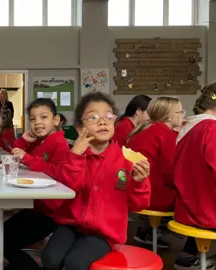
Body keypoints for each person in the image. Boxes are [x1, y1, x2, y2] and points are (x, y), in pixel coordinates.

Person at [40, 92, 151, 270]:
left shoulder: (125, 161)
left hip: (103, 233)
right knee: (50, 259)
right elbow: (71, 187)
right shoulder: (74, 157)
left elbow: (138, 205)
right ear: (79, 127)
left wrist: (139, 182)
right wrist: (75, 156)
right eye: (93, 117)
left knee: (75, 263)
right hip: (71, 224)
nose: (102, 121)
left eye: (108, 116)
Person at [0, 98, 69, 270]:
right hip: (38, 205)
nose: (37, 123)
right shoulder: (40, 141)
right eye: (33, 119)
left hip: (51, 211)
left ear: (55, 120)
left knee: (1, 238)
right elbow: (15, 157)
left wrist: (27, 157)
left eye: (43, 117)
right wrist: (24, 141)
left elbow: (57, 172)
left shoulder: (59, 142)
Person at [127, 96, 184, 249]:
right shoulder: (166, 136)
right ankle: (190, 254)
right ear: (170, 116)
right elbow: (172, 173)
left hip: (139, 191)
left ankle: (149, 231)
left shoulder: (141, 131)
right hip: (155, 197)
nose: (184, 115)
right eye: (181, 112)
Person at [173, 82, 216, 270]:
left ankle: (189, 256)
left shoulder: (189, 126)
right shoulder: (213, 129)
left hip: (188, 205)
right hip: (206, 211)